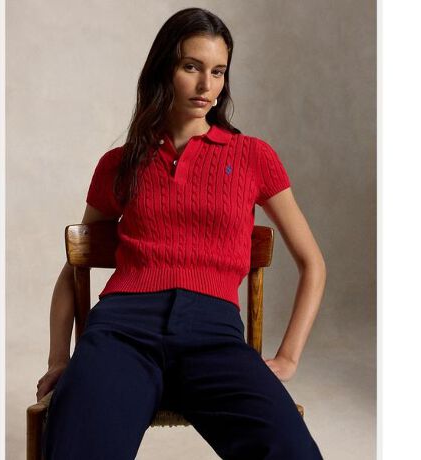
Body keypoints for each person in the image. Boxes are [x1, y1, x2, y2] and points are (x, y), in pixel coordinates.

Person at [37, 7, 326, 460]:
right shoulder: (121, 163)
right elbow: (76, 263)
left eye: (218, 72)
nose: (206, 85)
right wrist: (59, 360)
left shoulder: (253, 156)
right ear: (164, 70)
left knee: (292, 452)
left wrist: (288, 357)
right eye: (191, 67)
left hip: (214, 334)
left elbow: (313, 263)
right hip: (121, 331)